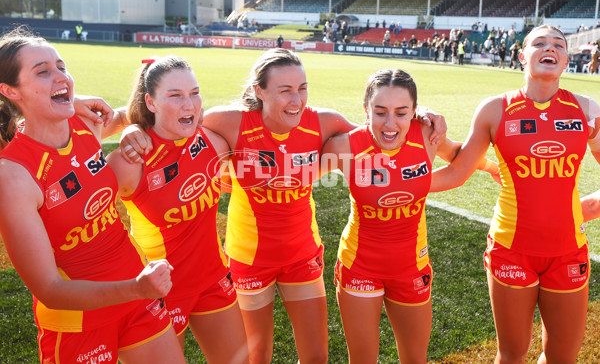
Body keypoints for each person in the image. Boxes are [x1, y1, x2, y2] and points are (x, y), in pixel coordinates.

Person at [120, 48, 447, 363]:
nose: (297, 99)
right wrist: (133, 127)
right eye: (285, 90)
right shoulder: (230, 122)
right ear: (259, 91)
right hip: (248, 258)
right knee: (256, 357)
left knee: (317, 356)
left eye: (302, 89)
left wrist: (417, 116)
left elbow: (382, 133)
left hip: (301, 256)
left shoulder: (323, 123)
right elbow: (171, 124)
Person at [0, 28, 185, 363]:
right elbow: (50, 289)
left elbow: (134, 116)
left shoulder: (84, 122)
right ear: (10, 90)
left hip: (137, 296)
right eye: (43, 72)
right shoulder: (13, 176)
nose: (61, 77)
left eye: (61, 67)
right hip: (78, 321)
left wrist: (130, 130)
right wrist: (136, 287)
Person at [429, 25, 600, 364]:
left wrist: (586, 208)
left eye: (558, 45)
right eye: (539, 43)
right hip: (511, 250)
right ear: (522, 56)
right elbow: (460, 170)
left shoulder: (587, 110)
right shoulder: (495, 109)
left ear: (566, 59)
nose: (549, 48)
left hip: (568, 253)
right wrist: (399, 183)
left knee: (562, 358)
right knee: (511, 355)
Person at [322, 68, 499, 363]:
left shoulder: (428, 133)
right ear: (365, 111)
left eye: (401, 113)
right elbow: (299, 173)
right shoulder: (344, 147)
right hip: (359, 266)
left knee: (415, 359)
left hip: (412, 268)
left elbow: (458, 160)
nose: (390, 123)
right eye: (380, 112)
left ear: (415, 112)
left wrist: (491, 167)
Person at [106, 56, 249, 363]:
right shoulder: (130, 161)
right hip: (159, 291)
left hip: (213, 280)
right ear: (151, 102)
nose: (190, 105)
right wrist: (128, 126)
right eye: (175, 96)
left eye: (194, 93)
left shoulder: (213, 140)